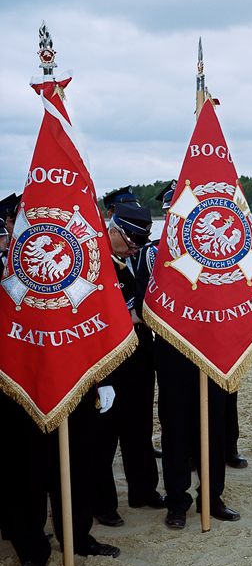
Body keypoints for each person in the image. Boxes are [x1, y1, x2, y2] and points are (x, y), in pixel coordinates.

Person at [136, 181, 240, 529]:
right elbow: (143, 304)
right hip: (172, 352)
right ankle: (177, 502)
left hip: (211, 351)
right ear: (167, 214)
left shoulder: (217, 255)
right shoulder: (152, 254)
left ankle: (213, 497)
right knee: (176, 430)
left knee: (213, 428)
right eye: (170, 212)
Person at [0, 380, 120, 566]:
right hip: (22, 380)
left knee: (78, 463)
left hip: (76, 380)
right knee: (27, 465)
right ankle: (31, 550)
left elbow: (93, 347)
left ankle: (77, 537)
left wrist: (102, 380)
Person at [92, 201, 165, 528]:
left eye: (140, 241)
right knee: (104, 434)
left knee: (139, 426)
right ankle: (103, 503)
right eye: (130, 239)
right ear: (113, 224)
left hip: (138, 352)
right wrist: (131, 315)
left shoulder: (137, 258)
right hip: (107, 356)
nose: (135, 246)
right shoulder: (94, 259)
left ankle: (143, 489)